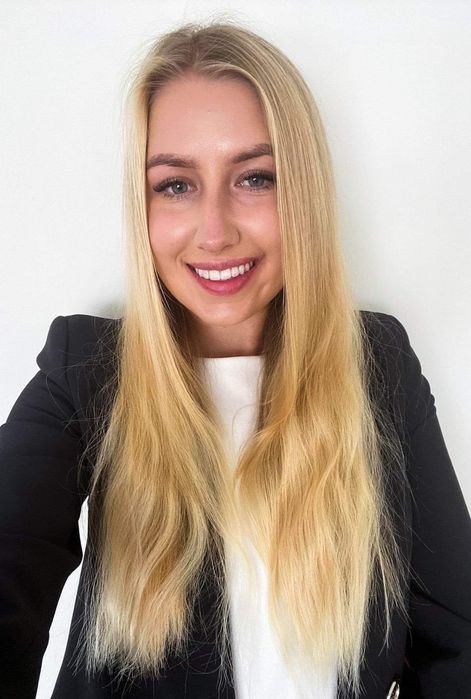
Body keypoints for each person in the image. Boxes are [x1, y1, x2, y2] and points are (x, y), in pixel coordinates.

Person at [1, 20, 470, 699]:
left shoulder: (377, 364)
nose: (215, 232)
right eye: (175, 185)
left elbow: (457, 645)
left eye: (255, 177)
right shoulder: (86, 371)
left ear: (304, 191)